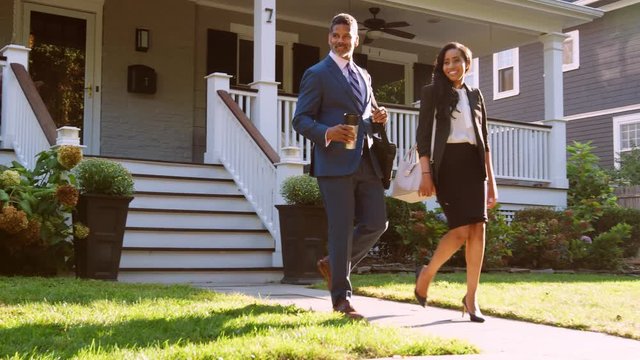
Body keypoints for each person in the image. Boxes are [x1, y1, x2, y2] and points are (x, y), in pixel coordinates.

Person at [292, 13, 389, 319]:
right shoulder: (317, 73)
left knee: (377, 222)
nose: (341, 40)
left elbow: (366, 114)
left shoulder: (364, 75)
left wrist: (378, 118)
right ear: (329, 38)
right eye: (336, 35)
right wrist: (327, 132)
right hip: (334, 162)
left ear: (355, 39)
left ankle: (332, 264)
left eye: (347, 36)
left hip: (366, 160)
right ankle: (341, 301)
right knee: (341, 229)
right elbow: (301, 119)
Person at [414, 42, 498, 323]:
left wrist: (492, 181)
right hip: (447, 164)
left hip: (474, 166)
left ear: (467, 63)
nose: (451, 66)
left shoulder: (475, 95)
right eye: (446, 62)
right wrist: (426, 174)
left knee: (478, 229)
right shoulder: (432, 93)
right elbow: (423, 137)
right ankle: (427, 273)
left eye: (456, 61)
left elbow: (484, 141)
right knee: (461, 230)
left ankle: (471, 298)